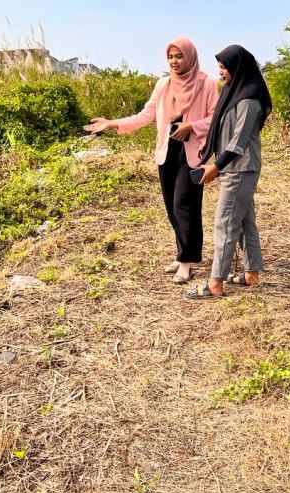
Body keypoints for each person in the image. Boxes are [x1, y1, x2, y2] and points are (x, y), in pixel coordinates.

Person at [84, 38, 218, 283]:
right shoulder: (163, 84)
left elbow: (215, 118)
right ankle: (181, 254)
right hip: (167, 149)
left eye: (179, 56)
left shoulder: (206, 83)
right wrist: (112, 123)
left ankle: (187, 262)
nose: (174, 62)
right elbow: (145, 115)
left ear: (190, 57)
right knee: (171, 207)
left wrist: (192, 125)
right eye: (171, 57)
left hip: (192, 151)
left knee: (184, 205)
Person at [184, 44, 272, 301]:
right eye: (220, 66)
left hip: (240, 168)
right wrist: (209, 152)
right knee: (244, 221)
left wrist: (216, 167)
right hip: (236, 167)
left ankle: (215, 283)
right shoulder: (234, 93)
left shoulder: (249, 100)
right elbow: (220, 129)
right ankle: (251, 274)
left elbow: (239, 142)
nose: (220, 72)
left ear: (238, 67)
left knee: (224, 223)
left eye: (224, 67)